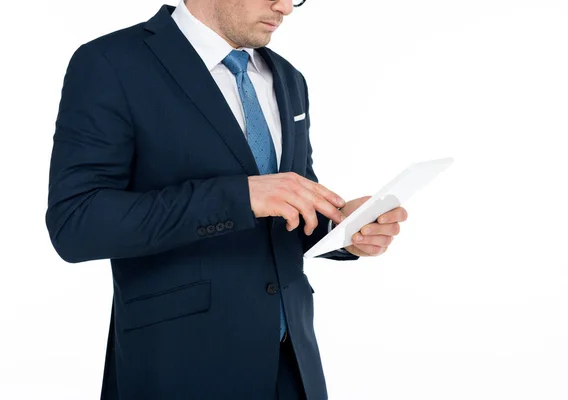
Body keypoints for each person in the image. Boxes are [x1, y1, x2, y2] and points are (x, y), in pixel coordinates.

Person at [45, 0, 408, 398]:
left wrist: (343, 227)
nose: (285, 6)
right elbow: (77, 222)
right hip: (180, 368)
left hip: (292, 367)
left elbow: (286, 209)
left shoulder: (288, 78)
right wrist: (239, 196)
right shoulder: (112, 63)